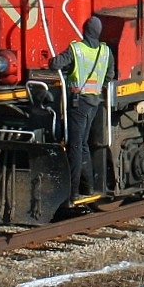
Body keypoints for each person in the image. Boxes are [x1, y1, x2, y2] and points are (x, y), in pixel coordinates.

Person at [52, 17, 112, 200]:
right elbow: (109, 75)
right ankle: (88, 187)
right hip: (94, 102)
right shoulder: (105, 51)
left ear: (84, 30)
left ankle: (73, 192)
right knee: (83, 144)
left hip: (78, 103)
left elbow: (55, 64)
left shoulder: (76, 49)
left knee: (75, 145)